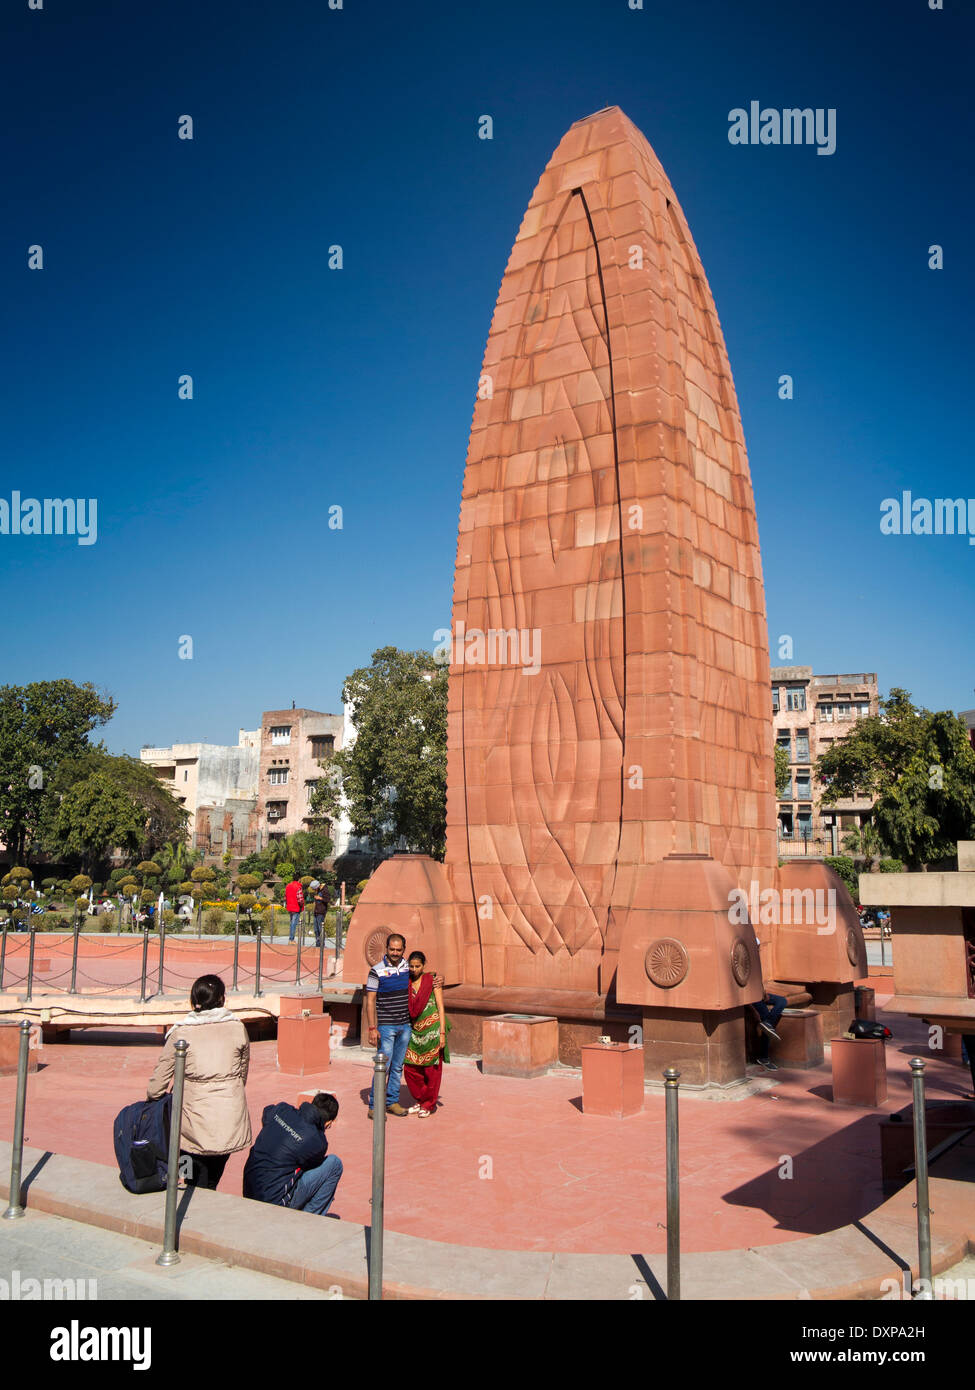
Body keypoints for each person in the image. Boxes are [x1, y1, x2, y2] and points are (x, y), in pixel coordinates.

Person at [146, 973, 251, 1189]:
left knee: (190, 1178)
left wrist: (153, 1098)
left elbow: (160, 1079)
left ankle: (191, 1209)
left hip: (191, 1127)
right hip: (228, 1119)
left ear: (194, 1000)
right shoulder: (237, 1027)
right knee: (211, 1179)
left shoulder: (182, 1032)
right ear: (222, 999)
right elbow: (243, 1074)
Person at [243, 1092, 342, 1216]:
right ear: (328, 1123)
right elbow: (311, 1165)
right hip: (273, 1201)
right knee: (334, 1164)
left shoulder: (282, 1109)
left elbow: (267, 1112)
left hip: (249, 1189)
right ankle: (308, 1220)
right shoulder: (317, 1141)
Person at [364, 933, 412, 1118]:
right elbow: (370, 1000)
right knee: (383, 1065)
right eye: (391, 949)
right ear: (386, 949)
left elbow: (423, 979)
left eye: (398, 950)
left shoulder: (408, 967)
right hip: (386, 1026)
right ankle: (374, 1105)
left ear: (403, 950)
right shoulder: (376, 970)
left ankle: (392, 1101)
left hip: (405, 1025)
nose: (395, 952)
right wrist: (372, 1027)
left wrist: (439, 979)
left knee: (398, 1066)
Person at [403, 951, 446, 1117]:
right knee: (411, 1069)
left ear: (424, 965)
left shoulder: (432, 981)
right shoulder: (405, 981)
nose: (414, 969)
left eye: (417, 966)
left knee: (431, 1071)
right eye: (411, 966)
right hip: (414, 1031)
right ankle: (421, 1100)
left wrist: (442, 1033)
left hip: (432, 1030)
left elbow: (441, 1007)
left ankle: (428, 1105)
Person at [750, 990, 787, 1071]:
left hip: (759, 994)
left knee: (782, 1000)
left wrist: (763, 992)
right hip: (750, 999)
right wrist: (753, 1011)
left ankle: (767, 1023)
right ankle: (764, 1057)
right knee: (766, 1017)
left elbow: (757, 981)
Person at [286, 875, 305, 943]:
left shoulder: (288, 886)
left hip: (290, 906)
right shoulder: (298, 887)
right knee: (294, 923)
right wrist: (302, 905)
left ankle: (291, 938)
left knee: (291, 923)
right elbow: (300, 899)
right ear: (299, 879)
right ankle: (291, 939)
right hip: (296, 907)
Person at [311, 880, 329, 948]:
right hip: (316, 911)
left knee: (320, 929)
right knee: (316, 929)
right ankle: (317, 943)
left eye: (314, 888)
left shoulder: (325, 890)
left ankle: (322, 944)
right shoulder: (318, 890)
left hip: (321, 912)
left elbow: (328, 899)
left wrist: (320, 898)